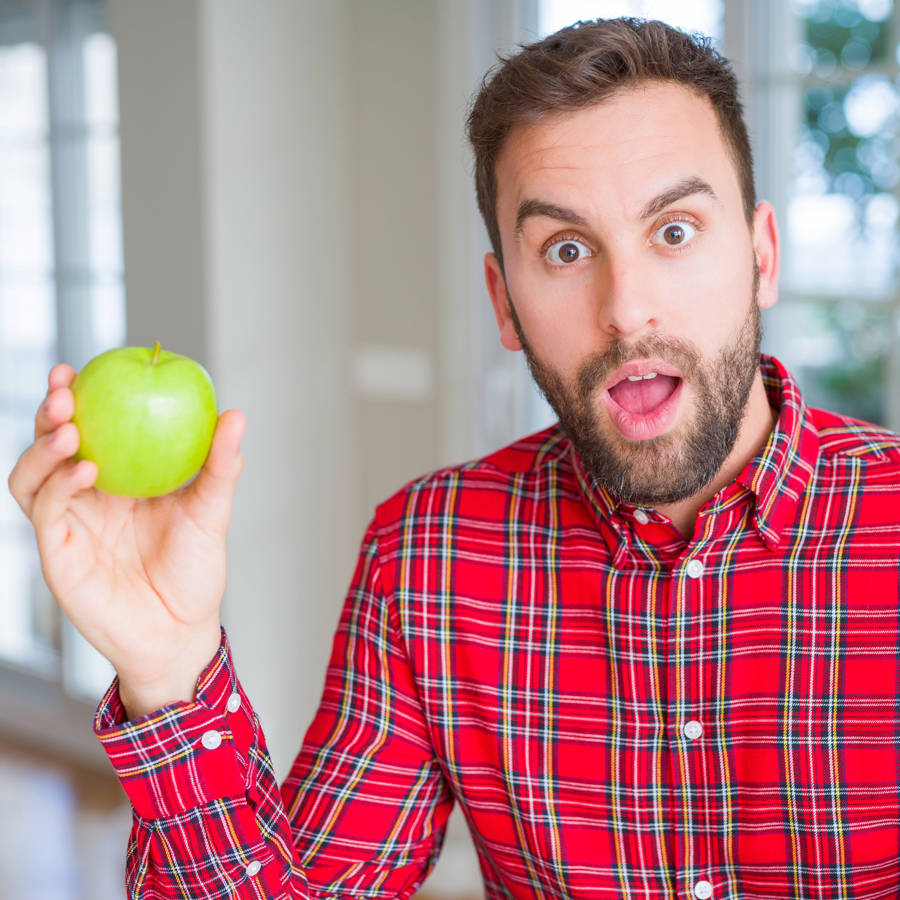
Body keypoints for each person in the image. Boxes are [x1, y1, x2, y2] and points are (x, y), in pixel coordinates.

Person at [8, 16, 900, 899]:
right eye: (566, 249)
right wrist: (168, 674)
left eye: (674, 232)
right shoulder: (427, 557)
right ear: (504, 302)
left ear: (762, 254)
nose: (627, 310)